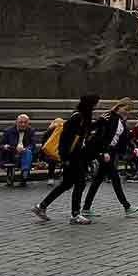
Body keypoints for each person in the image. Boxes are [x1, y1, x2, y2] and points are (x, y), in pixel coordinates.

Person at [34, 94, 100, 223]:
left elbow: (84, 131)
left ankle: (41, 206)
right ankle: (75, 215)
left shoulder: (83, 116)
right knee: (80, 183)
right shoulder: (78, 117)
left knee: (66, 184)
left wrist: (99, 122)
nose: (96, 106)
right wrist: (64, 158)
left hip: (75, 156)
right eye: (95, 103)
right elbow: (65, 137)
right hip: (72, 157)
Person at [81, 99, 138, 217]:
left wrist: (134, 147)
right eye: (126, 109)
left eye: (129, 110)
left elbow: (125, 137)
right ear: (119, 107)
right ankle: (127, 206)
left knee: (97, 180)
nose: (127, 112)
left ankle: (86, 207)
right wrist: (103, 152)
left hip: (111, 152)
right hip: (105, 152)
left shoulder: (121, 121)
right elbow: (100, 135)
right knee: (115, 178)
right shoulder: (109, 117)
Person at [0, 114, 37, 187]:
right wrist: (5, 146)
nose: (23, 124)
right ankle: (24, 175)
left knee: (27, 152)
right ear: (16, 122)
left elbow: (33, 145)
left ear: (28, 123)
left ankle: (24, 173)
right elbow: (1, 146)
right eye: (21, 122)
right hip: (12, 155)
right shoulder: (8, 131)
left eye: (25, 122)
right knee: (27, 154)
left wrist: (26, 148)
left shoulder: (31, 131)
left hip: (25, 154)